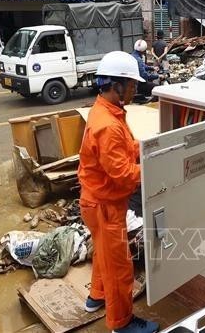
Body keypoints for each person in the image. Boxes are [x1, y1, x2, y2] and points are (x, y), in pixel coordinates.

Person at [78, 51, 159, 333]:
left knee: (103, 254)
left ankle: (96, 297)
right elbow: (123, 174)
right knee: (120, 268)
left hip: (96, 202)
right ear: (116, 85)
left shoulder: (107, 110)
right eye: (132, 84)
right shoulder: (109, 125)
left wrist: (149, 148)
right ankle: (121, 323)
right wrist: (156, 168)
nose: (136, 89)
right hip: (105, 205)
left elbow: (126, 148)